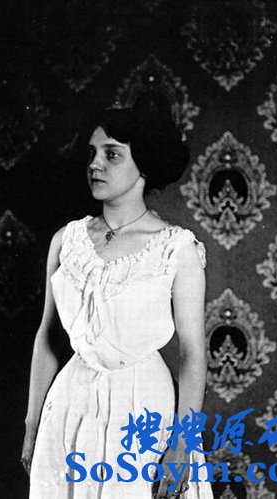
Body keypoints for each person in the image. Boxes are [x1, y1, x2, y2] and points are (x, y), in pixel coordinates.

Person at [21, 107, 214, 499]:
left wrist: (183, 444)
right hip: (69, 406)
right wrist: (32, 422)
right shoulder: (66, 241)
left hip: (142, 408)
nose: (95, 164)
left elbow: (193, 352)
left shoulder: (176, 248)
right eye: (92, 154)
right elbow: (48, 337)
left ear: (144, 163)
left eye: (111, 154)